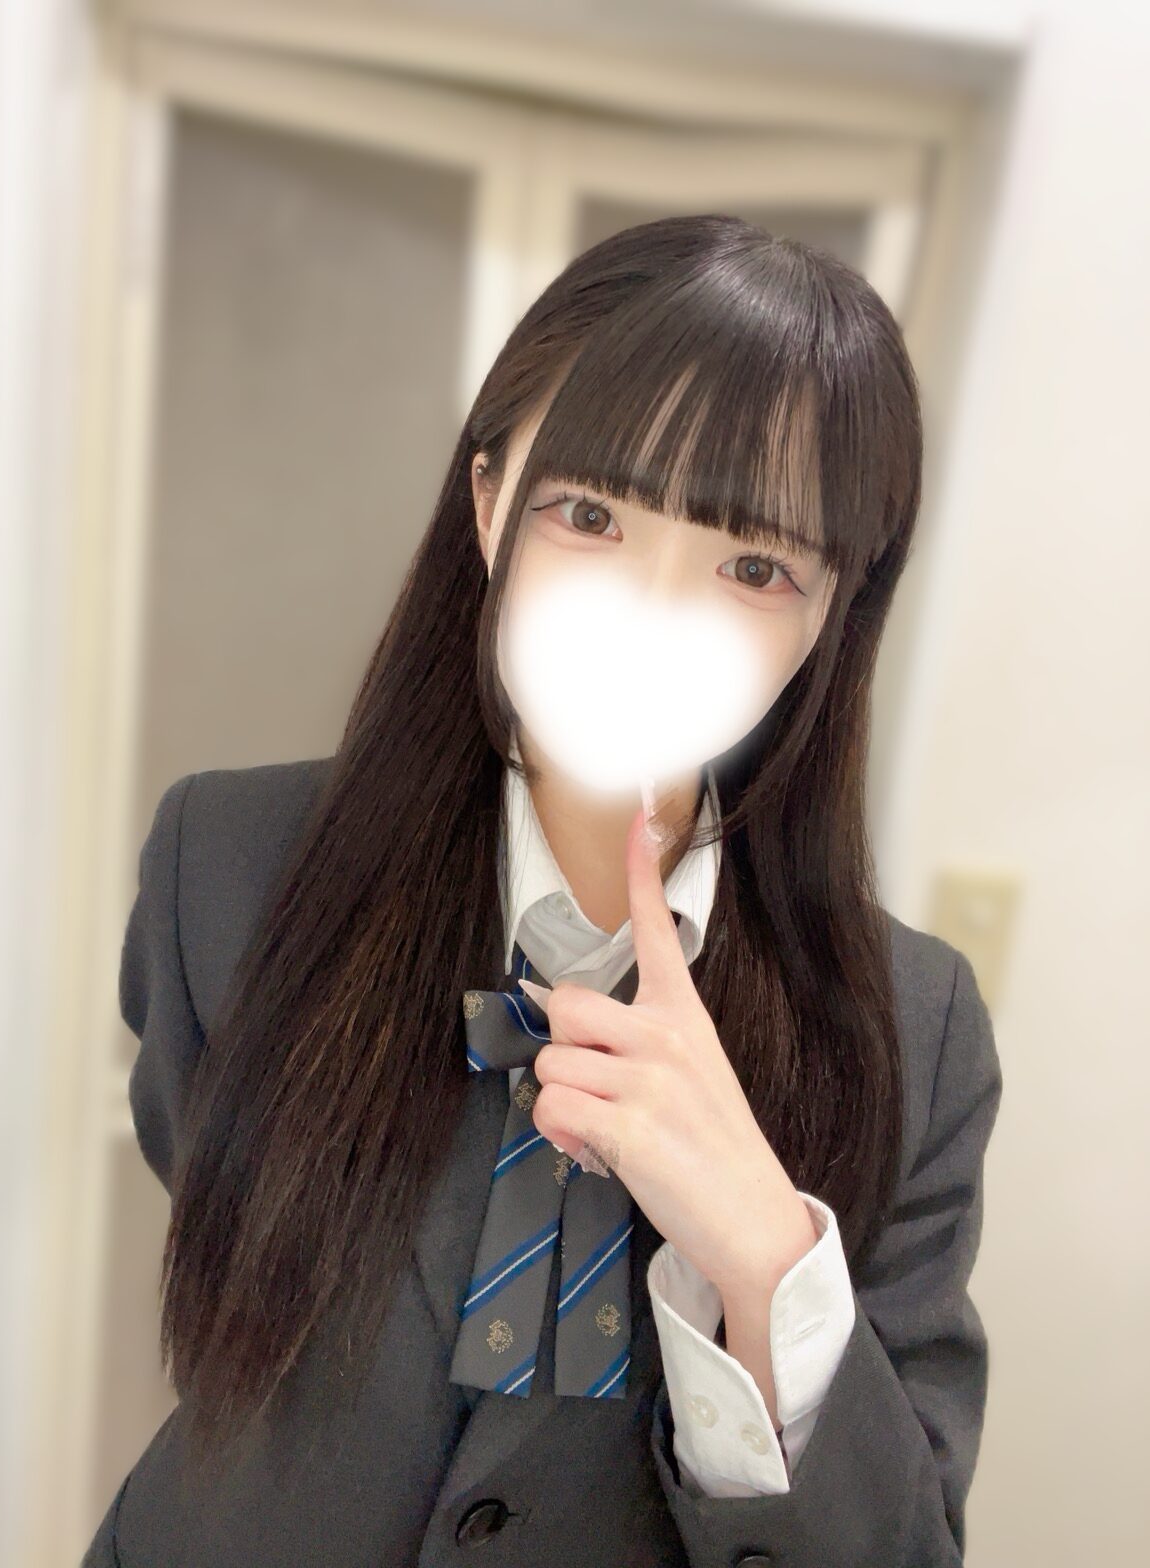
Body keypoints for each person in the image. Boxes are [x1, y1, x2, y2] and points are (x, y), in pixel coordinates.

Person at [83, 214, 1003, 1567]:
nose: (651, 611)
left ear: (831, 614)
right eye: (590, 515)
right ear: (488, 503)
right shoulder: (226, 866)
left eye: (754, 567)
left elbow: (901, 1550)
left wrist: (763, 1253)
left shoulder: (917, 1032)